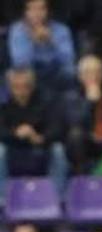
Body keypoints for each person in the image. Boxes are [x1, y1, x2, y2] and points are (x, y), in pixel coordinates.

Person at [0, 67, 69, 197]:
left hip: (40, 147)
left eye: (26, 86)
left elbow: (57, 128)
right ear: (9, 87)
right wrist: (15, 134)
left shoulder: (46, 100)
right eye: (16, 86)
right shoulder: (3, 103)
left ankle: (56, 197)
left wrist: (40, 138)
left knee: (58, 150)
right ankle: (3, 199)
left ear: (32, 86)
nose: (21, 91)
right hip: (12, 148)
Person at [63, 55, 102, 174]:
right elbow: (75, 123)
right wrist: (90, 102)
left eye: (97, 72)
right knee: (75, 135)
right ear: (80, 76)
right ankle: (81, 181)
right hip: (88, 143)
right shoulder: (71, 97)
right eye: (88, 73)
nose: (93, 76)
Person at [8, 0, 76, 91]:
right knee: (21, 75)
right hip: (31, 71)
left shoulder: (61, 29)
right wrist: (32, 42)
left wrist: (51, 42)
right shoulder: (17, 30)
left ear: (47, 11)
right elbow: (20, 63)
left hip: (56, 69)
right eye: (32, 9)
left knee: (70, 71)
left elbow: (69, 59)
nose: (37, 13)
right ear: (25, 12)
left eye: (41, 8)